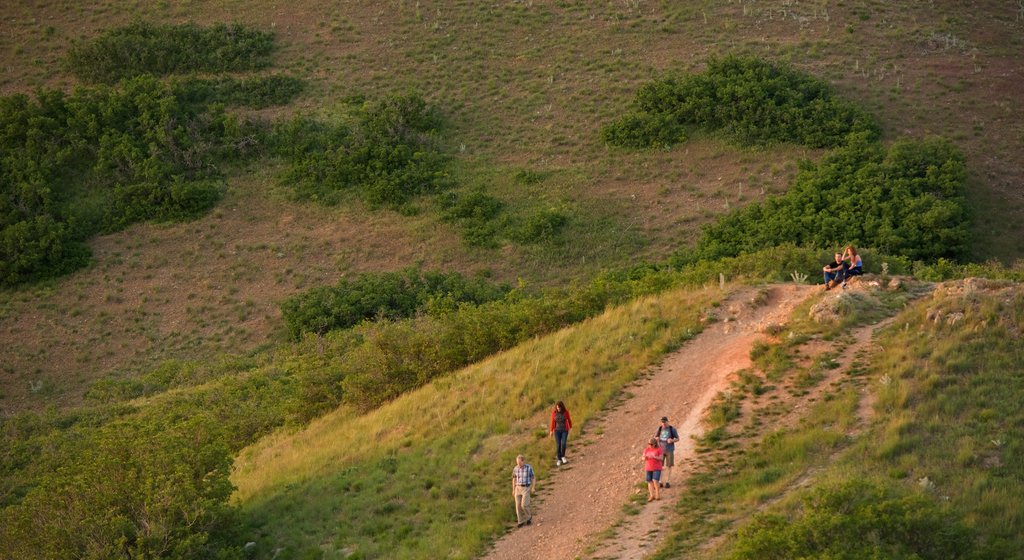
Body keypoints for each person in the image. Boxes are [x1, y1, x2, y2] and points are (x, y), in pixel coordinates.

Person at [653, 416, 680, 488]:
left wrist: (672, 440)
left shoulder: (672, 429)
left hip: (669, 450)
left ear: (667, 421)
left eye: (664, 422)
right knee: (659, 466)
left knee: (669, 466)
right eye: (662, 422)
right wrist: (657, 438)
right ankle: (660, 481)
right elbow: (655, 437)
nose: (663, 423)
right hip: (661, 450)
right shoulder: (659, 428)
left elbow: (677, 438)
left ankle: (668, 481)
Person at [511, 454, 535, 527]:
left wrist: (533, 487)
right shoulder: (515, 468)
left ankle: (529, 517)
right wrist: (513, 489)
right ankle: (520, 521)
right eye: (517, 463)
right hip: (518, 488)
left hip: (526, 487)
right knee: (518, 506)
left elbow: (533, 477)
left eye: (520, 462)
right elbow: (514, 479)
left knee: (524, 505)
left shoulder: (528, 468)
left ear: (523, 461)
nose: (518, 464)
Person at [549, 401, 573, 465]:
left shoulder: (566, 412)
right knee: (558, 445)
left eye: (559, 407)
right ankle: (559, 459)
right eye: (557, 407)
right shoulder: (554, 413)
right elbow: (552, 422)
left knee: (564, 443)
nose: (558, 409)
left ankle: (563, 456)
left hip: (564, 430)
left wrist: (570, 428)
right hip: (557, 431)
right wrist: (551, 431)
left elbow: (569, 420)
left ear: (562, 407)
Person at [642, 437, 664, 502]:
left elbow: (661, 458)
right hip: (648, 468)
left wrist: (655, 457)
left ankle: (657, 495)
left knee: (655, 480)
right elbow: (642, 458)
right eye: (649, 444)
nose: (649, 445)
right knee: (649, 481)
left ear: (655, 444)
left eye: (651, 444)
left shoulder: (659, 449)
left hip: (657, 467)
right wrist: (645, 458)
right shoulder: (646, 450)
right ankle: (651, 495)